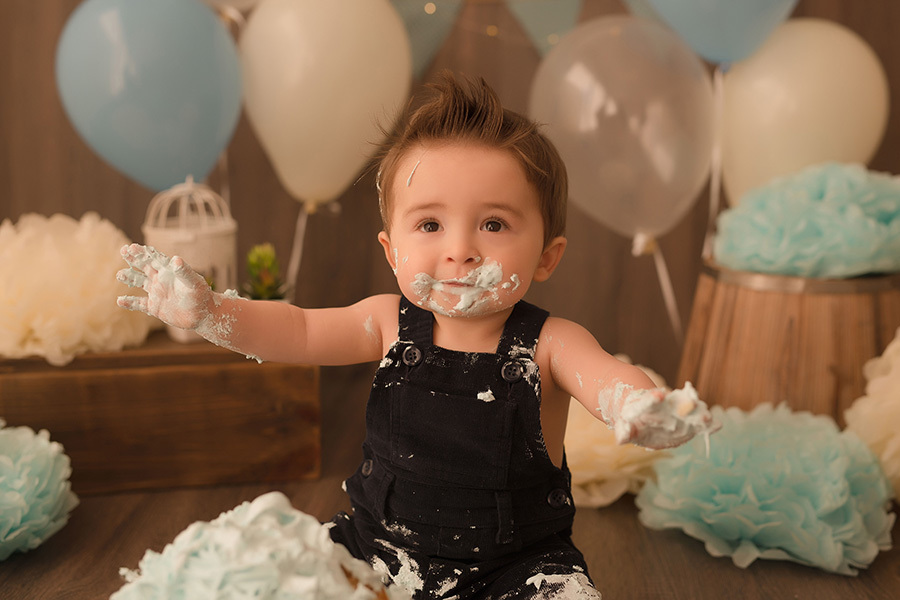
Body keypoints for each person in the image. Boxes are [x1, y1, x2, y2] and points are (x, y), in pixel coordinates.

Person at [117, 73, 716, 600]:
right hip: (378, 548)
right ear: (391, 250)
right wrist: (212, 311)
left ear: (547, 256)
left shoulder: (549, 343)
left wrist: (638, 404)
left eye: (494, 223)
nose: (459, 248)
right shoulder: (384, 321)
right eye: (430, 223)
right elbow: (297, 331)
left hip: (518, 568)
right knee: (281, 574)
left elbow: (608, 378)